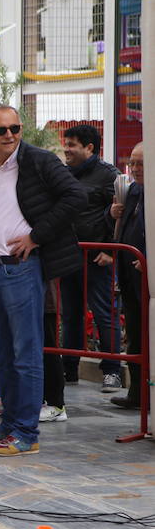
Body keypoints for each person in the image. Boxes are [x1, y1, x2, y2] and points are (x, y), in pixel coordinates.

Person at [0, 104, 85, 456]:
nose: (10, 135)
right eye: (2, 130)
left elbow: (76, 196)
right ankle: (10, 424)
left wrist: (37, 236)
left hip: (22, 268)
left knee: (25, 354)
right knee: (1, 354)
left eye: (15, 128)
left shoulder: (40, 161)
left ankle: (26, 433)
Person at [59, 124, 123, 396]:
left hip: (98, 257)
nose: (66, 149)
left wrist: (111, 250)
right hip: (68, 255)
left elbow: (123, 214)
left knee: (104, 313)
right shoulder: (61, 175)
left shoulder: (110, 177)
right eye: (66, 143)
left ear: (90, 148)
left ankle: (112, 372)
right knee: (71, 315)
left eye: (72, 144)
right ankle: (68, 369)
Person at [108, 142, 145, 410]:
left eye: (140, 163)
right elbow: (118, 224)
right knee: (134, 332)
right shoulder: (132, 189)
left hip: (146, 272)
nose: (135, 168)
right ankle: (137, 393)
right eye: (132, 163)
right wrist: (111, 214)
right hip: (129, 271)